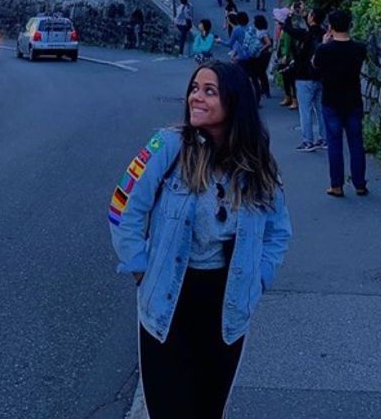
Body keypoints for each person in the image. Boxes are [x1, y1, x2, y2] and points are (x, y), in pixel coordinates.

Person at [108, 60, 292, 419]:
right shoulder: (167, 146)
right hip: (168, 299)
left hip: (228, 302)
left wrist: (259, 279)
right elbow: (122, 207)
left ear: (234, 102)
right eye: (195, 88)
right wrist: (140, 268)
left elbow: (278, 231)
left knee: (208, 410)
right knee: (169, 409)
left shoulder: (259, 166)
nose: (196, 97)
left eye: (210, 91)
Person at [313, 9, 368, 197]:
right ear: (350, 25)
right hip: (353, 100)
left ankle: (337, 185)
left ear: (330, 27)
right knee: (356, 143)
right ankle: (360, 184)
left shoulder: (324, 50)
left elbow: (315, 64)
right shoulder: (359, 48)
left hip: (331, 100)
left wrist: (324, 43)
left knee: (335, 144)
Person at [285, 8, 326, 152]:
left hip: (303, 76)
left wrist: (289, 15)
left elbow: (288, 29)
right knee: (320, 109)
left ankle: (308, 141)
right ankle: (324, 138)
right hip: (320, 76)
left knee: (305, 110)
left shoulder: (305, 35)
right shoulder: (324, 34)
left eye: (309, 14)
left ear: (312, 16)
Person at [252, 13, 272, 100]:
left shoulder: (262, 32)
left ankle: (265, 90)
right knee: (261, 72)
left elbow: (268, 43)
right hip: (263, 54)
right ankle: (264, 89)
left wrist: (261, 49)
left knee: (260, 72)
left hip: (262, 55)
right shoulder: (260, 31)